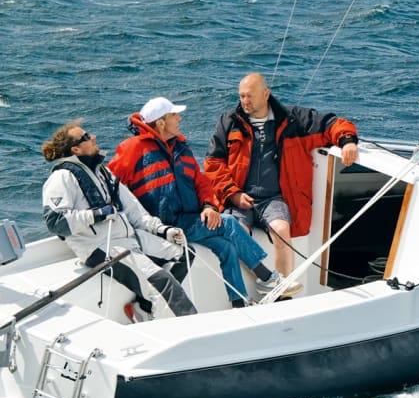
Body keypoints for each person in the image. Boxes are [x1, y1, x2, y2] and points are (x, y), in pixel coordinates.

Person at [108, 96, 301, 307]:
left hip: (189, 219)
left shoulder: (181, 147)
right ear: (161, 123)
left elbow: (201, 182)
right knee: (229, 223)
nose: (180, 118)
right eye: (174, 115)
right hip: (164, 226)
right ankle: (268, 278)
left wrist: (209, 206)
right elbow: (109, 185)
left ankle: (239, 303)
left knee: (226, 247)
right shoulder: (132, 148)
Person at [204, 72, 359, 279]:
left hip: (273, 199)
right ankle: (264, 281)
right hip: (239, 198)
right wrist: (233, 194)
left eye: (250, 96)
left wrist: (347, 142)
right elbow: (213, 164)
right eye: (241, 96)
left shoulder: (295, 120)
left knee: (282, 230)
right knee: (237, 233)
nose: (244, 101)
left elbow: (333, 124)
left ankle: (283, 288)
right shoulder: (229, 121)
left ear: (266, 94)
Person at [41, 120, 196, 320]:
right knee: (162, 281)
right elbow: (56, 222)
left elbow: (135, 211)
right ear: (76, 149)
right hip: (100, 247)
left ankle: (145, 308)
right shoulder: (62, 177)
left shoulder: (104, 173)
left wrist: (163, 230)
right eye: (86, 137)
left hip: (130, 239)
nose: (93, 137)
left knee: (185, 252)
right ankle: (184, 326)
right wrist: (97, 214)